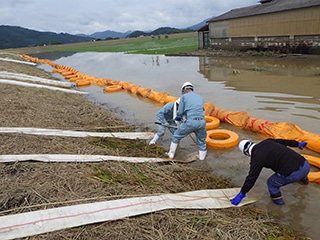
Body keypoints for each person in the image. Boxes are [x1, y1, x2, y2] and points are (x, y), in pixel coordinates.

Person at [231, 138, 310, 206]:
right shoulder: (267, 142)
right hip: (305, 164)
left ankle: (279, 205)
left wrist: (242, 193)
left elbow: (252, 177)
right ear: (251, 142)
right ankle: (305, 182)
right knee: (291, 165)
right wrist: (298, 144)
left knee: (271, 183)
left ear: (246, 153)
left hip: (295, 173)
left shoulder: (256, 158)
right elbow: (284, 142)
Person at [167, 82, 207, 161]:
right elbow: (199, 110)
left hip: (191, 122)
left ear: (185, 90)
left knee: (176, 136)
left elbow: (180, 112)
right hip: (202, 122)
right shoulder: (200, 97)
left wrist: (178, 118)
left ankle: (170, 155)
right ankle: (202, 161)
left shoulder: (184, 97)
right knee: (201, 142)